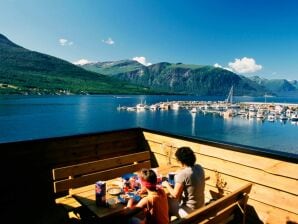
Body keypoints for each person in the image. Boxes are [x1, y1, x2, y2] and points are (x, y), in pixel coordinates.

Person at [162, 146, 205, 218]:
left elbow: (175, 196)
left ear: (180, 161)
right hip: (201, 206)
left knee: (165, 202)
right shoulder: (199, 167)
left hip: (189, 211)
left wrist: (166, 185)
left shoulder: (183, 174)